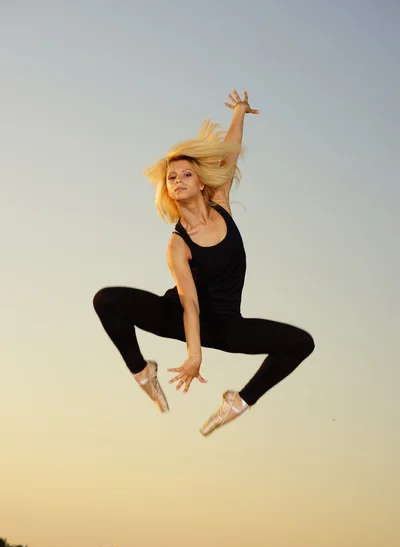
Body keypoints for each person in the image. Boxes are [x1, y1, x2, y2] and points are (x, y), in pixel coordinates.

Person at [93, 89, 314, 436]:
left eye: (186, 175)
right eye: (171, 177)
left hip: (225, 325)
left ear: (200, 181)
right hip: (180, 316)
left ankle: (237, 404)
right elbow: (189, 303)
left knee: (301, 343)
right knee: (106, 300)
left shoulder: (221, 202)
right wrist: (194, 355)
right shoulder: (177, 245)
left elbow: (231, 149)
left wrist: (240, 111)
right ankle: (142, 374)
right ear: (166, 189)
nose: (178, 181)